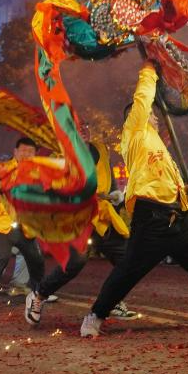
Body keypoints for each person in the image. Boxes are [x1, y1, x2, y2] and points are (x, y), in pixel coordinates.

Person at [81, 61, 188, 337]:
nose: (156, 117)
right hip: (151, 218)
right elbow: (142, 98)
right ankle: (96, 315)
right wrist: (149, 71)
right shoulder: (134, 132)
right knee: (129, 271)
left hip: (178, 217)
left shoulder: (156, 144)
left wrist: (184, 190)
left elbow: (161, 176)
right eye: (152, 114)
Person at [29, 137, 137, 323]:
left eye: (86, 125)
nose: (84, 129)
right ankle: (39, 295)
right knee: (75, 263)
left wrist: (114, 193)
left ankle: (112, 300)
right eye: (78, 126)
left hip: (102, 216)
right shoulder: (59, 156)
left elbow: (108, 179)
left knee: (126, 259)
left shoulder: (101, 149)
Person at [0, 137, 46, 317]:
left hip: (24, 226)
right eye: (23, 150)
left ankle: (40, 293)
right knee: (2, 258)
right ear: (15, 152)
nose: (26, 154)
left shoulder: (36, 173)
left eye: (30, 151)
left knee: (36, 259)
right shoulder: (4, 169)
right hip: (2, 224)